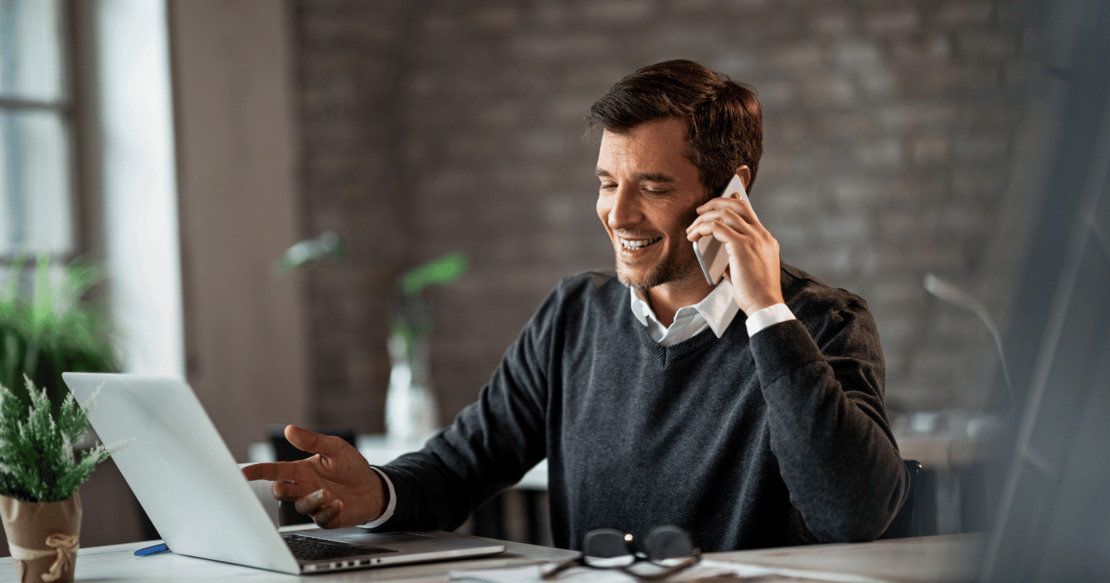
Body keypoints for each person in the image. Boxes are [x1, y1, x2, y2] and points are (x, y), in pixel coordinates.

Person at [244, 59, 908, 552]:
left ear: (733, 190)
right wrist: (377, 492)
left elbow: (851, 513)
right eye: (607, 182)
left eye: (650, 186)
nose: (617, 213)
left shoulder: (822, 322)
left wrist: (766, 310)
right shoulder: (573, 316)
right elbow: (458, 465)